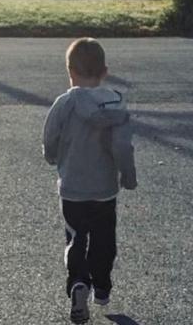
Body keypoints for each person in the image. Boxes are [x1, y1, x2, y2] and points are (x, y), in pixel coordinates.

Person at [42, 38, 137, 324]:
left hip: (72, 188)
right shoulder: (116, 105)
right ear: (104, 71)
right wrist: (128, 175)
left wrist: (51, 156)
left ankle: (78, 283)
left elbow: (50, 137)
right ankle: (103, 286)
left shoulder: (65, 103)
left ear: (70, 70)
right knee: (104, 239)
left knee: (76, 236)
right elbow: (122, 146)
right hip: (104, 189)